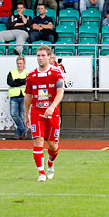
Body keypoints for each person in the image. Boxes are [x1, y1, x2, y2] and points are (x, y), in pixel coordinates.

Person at [24, 45, 64, 181]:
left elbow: (60, 92)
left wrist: (52, 106)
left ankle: (50, 163)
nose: (40, 58)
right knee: (38, 140)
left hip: (53, 113)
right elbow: (28, 95)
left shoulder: (57, 73)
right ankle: (41, 173)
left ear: (49, 57)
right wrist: (26, 114)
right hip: (37, 112)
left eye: (43, 56)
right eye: (38, 56)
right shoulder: (31, 76)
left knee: (53, 145)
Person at [7, 56, 28, 139]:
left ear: (24, 64)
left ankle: (18, 134)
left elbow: (27, 81)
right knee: (14, 114)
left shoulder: (27, 72)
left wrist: (17, 81)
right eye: (18, 63)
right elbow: (10, 82)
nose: (19, 65)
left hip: (24, 96)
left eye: (21, 63)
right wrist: (21, 81)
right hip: (14, 96)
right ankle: (24, 129)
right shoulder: (11, 72)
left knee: (23, 115)